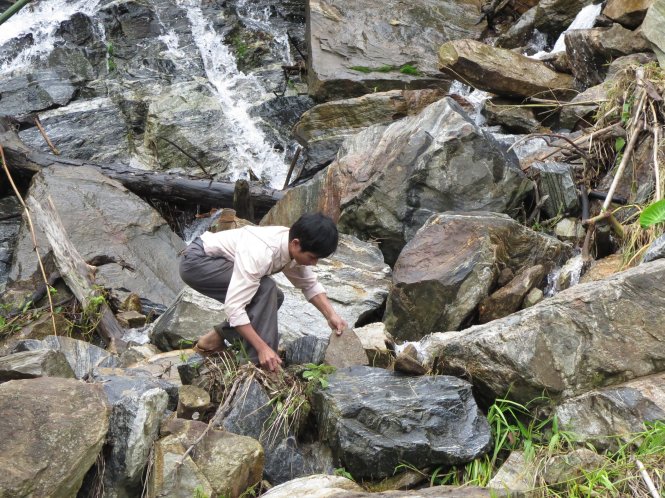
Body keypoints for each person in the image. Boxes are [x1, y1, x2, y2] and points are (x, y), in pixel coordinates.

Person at [179, 212, 348, 371]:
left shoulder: (290, 245)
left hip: (210, 259)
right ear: (296, 244)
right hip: (198, 262)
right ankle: (256, 367)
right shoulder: (262, 253)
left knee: (275, 296)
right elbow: (235, 308)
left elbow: (309, 284)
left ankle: (212, 341)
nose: (314, 263)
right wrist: (263, 348)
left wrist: (331, 315)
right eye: (312, 257)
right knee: (266, 290)